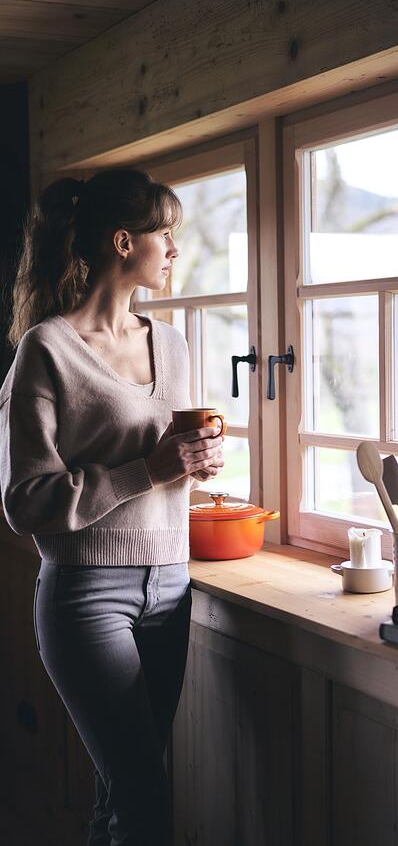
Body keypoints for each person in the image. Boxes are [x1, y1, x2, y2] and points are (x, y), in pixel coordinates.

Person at [0, 168, 224, 845]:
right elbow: (24, 500)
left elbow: (167, 461)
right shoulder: (47, 350)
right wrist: (147, 470)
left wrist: (198, 463)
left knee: (122, 793)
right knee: (145, 798)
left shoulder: (176, 343)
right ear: (123, 242)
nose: (176, 249)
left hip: (173, 584)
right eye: (166, 234)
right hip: (86, 598)